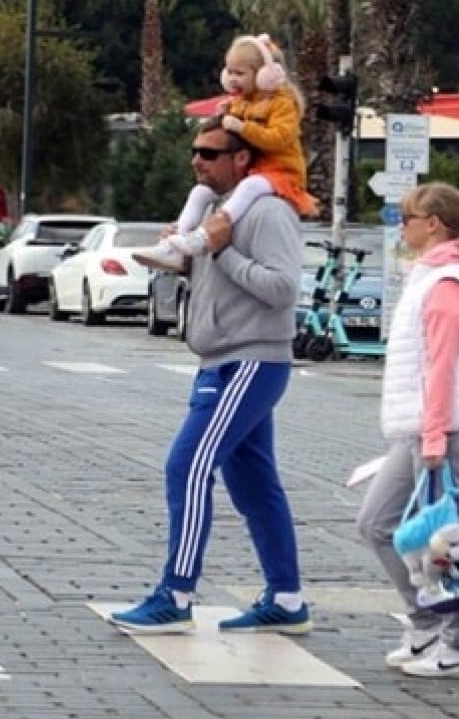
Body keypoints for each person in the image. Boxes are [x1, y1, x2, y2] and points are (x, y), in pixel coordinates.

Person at [109, 115, 310, 636]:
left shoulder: (267, 212)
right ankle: (286, 599)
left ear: (242, 159)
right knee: (254, 483)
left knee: (188, 466)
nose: (196, 159)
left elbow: (284, 289)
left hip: (252, 359)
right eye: (194, 150)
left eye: (209, 152)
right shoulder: (217, 212)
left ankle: (176, 594)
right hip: (217, 359)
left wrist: (222, 250)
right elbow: (218, 276)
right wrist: (185, 255)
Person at [354, 181, 459, 679]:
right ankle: (425, 624)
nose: (401, 226)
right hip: (422, 429)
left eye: (406, 218)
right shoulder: (428, 278)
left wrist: (433, 438)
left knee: (446, 541)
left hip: (446, 431)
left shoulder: (447, 284)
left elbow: (442, 368)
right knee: (376, 522)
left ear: (433, 224)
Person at [133, 33, 316, 272]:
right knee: (199, 192)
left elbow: (279, 139)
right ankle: (175, 244)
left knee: (249, 188)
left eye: (240, 73)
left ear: (264, 74)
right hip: (255, 169)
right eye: (229, 72)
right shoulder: (240, 101)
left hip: (281, 171)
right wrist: (222, 115)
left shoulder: (282, 103)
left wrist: (242, 126)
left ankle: (207, 235)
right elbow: (229, 131)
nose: (232, 79)